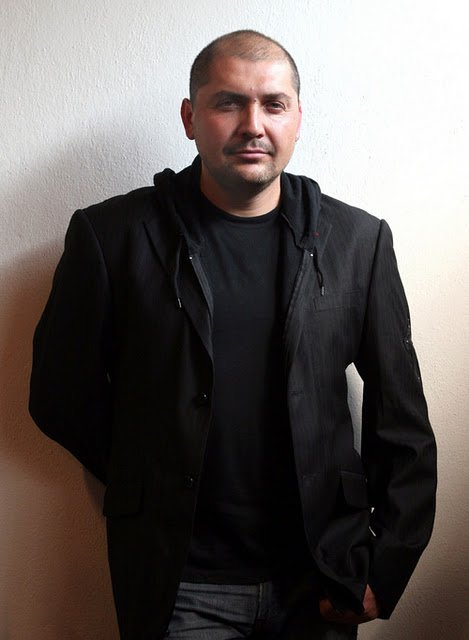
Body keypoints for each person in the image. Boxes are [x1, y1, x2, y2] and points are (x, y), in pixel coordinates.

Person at [29, 30, 437, 640]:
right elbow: (59, 393)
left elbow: (401, 419)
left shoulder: (359, 242)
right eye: (228, 103)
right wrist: (149, 471)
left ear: (297, 118)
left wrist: (390, 561)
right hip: (180, 585)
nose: (253, 125)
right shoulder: (112, 236)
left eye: (273, 104)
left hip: (320, 576)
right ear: (190, 118)